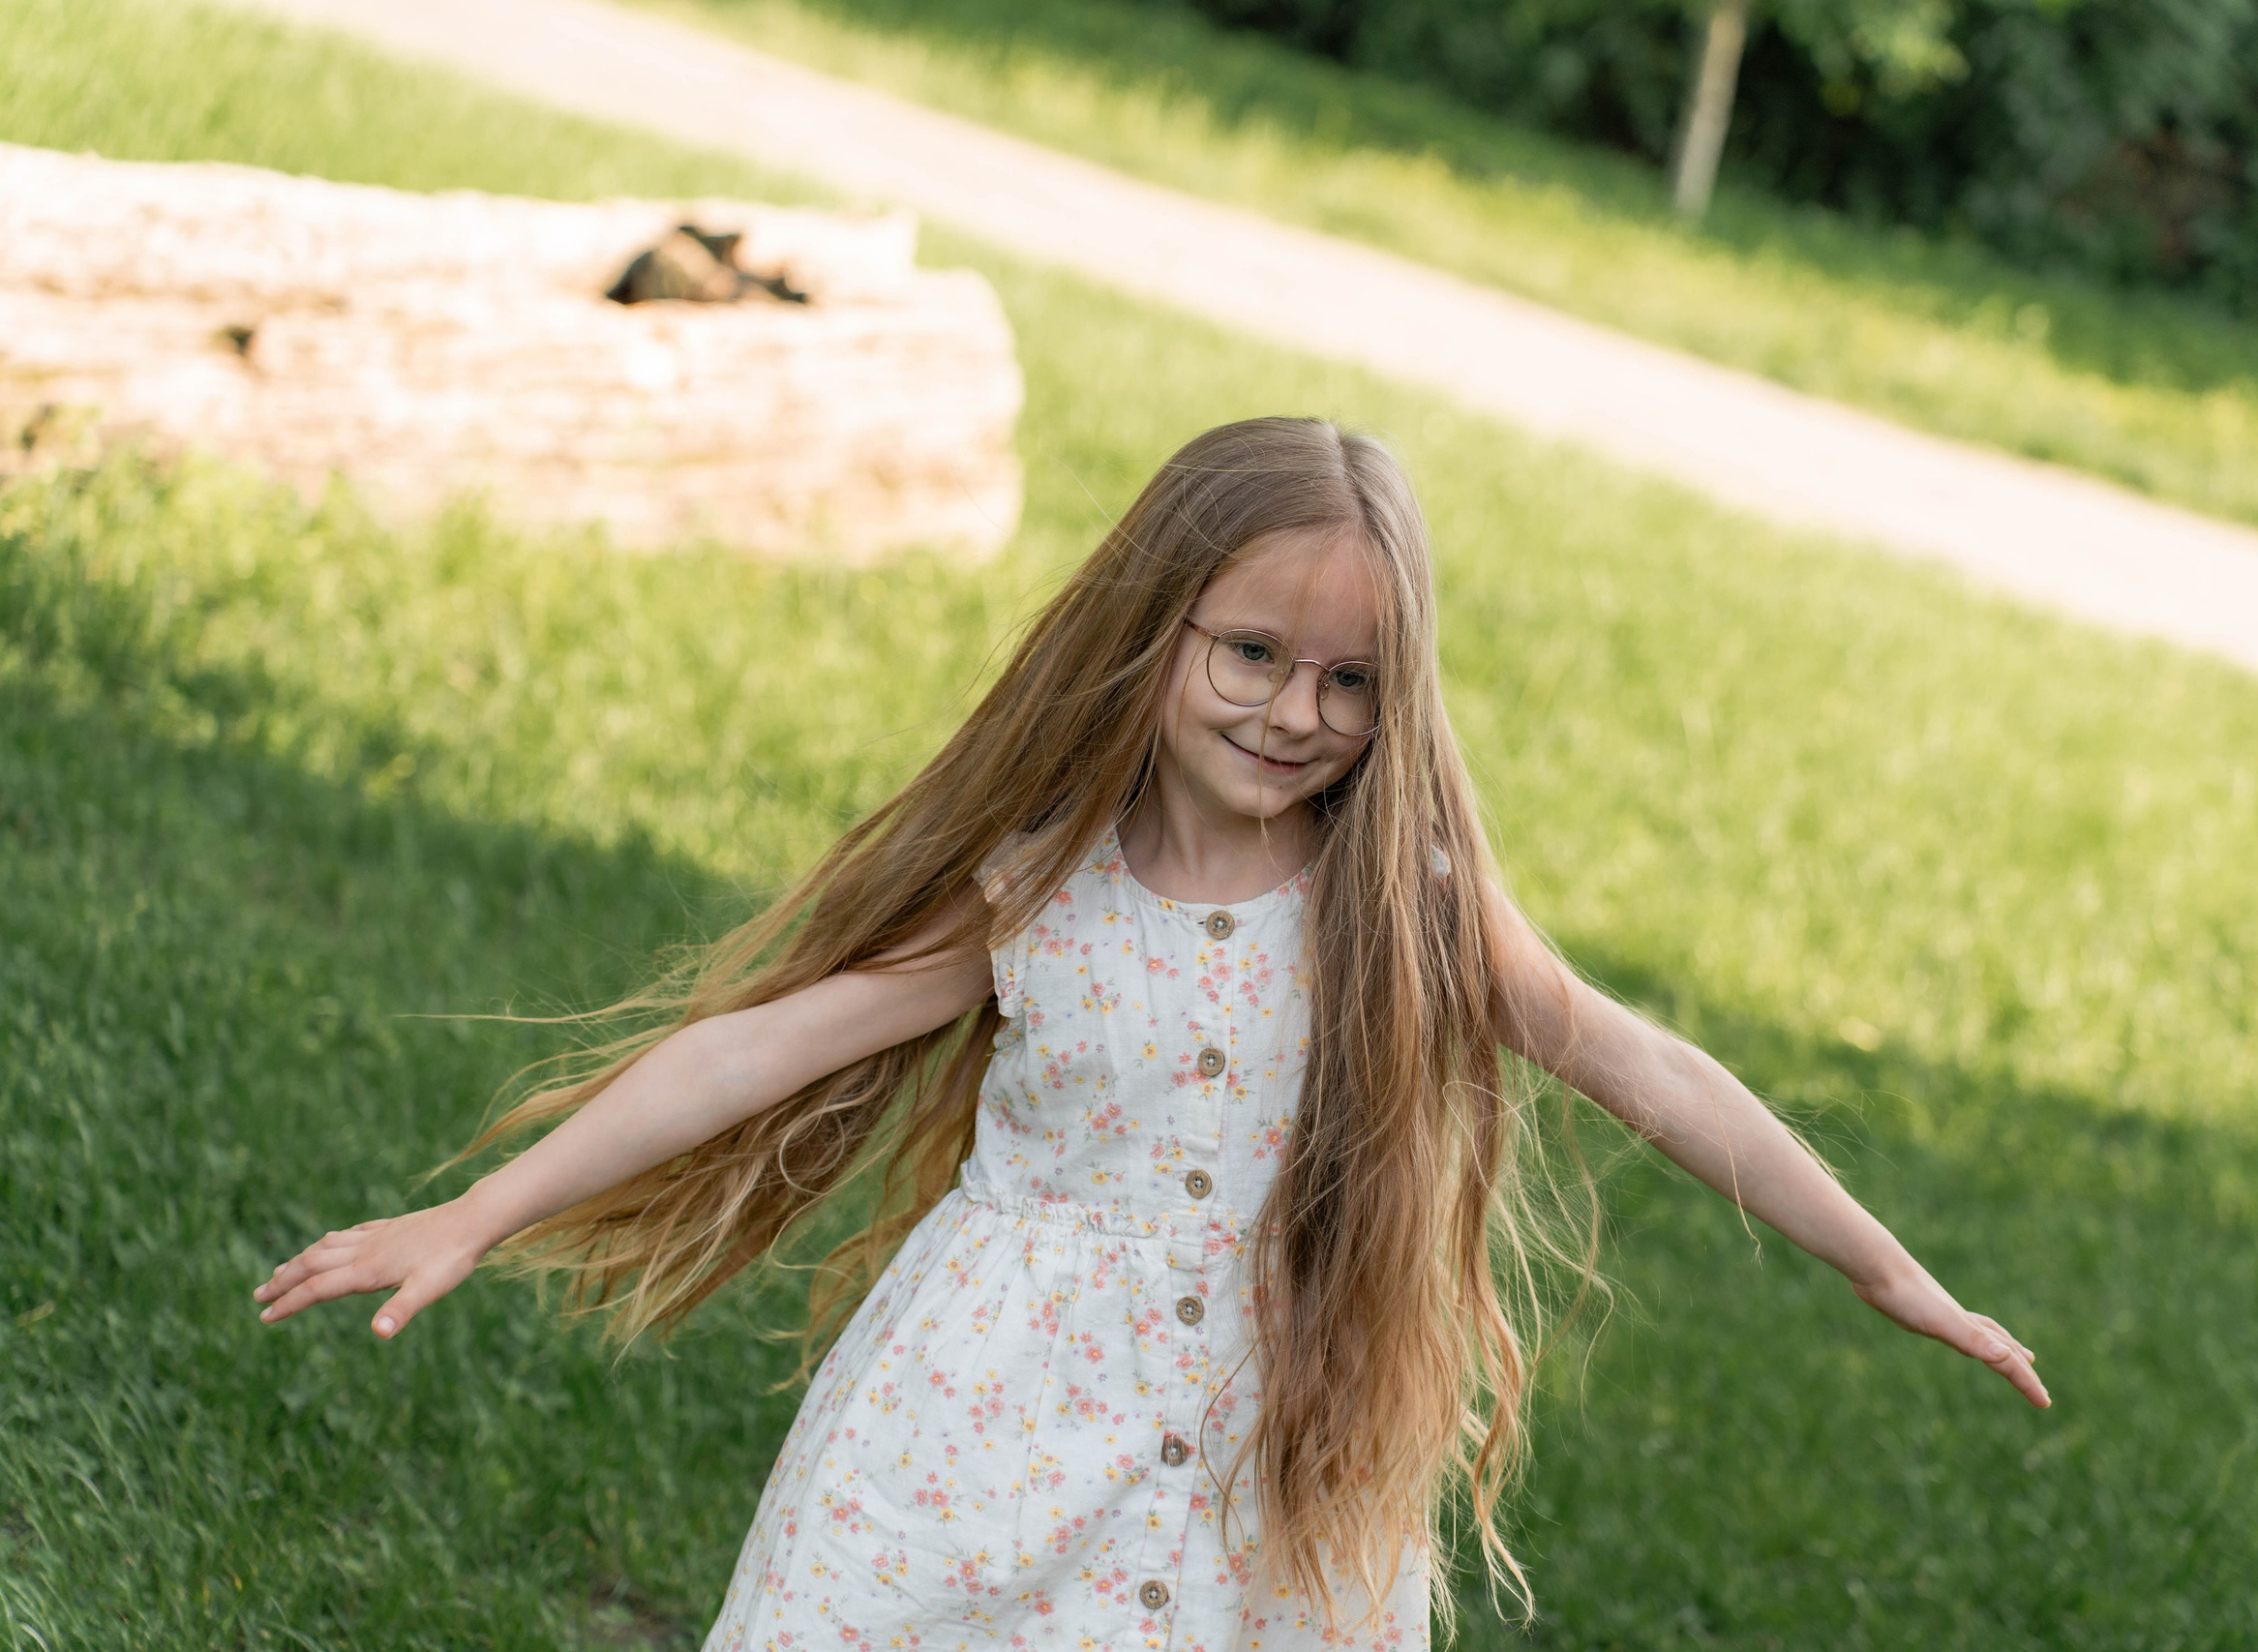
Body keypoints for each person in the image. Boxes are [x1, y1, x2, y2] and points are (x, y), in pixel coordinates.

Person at [253, 416, 2047, 1650]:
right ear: (1154, 626)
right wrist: (477, 1213)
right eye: (1251, 653)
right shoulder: (1038, 885)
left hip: (1267, 1467)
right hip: (978, 1428)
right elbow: (768, 1048)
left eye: (1352, 681)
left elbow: (1643, 1066)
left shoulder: (1396, 896)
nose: (1296, 713)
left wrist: (1888, 1270)